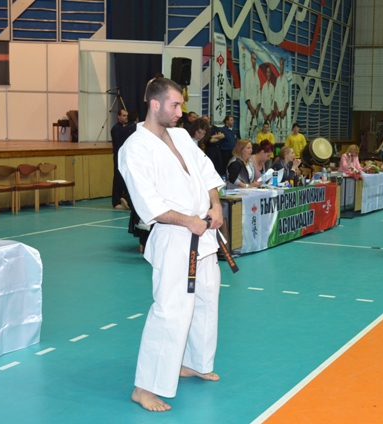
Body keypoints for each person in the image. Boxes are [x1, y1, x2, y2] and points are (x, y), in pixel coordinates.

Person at [118, 77, 225, 412]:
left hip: (203, 234)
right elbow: (148, 205)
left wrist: (216, 206)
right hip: (174, 236)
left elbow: (207, 172)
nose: (181, 112)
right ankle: (145, 387)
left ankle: (193, 362)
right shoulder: (134, 149)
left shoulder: (179, 136)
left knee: (207, 298)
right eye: (175, 105)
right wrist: (189, 221)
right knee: (170, 309)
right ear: (155, 104)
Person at [111, 108, 130, 210]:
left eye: (127, 115)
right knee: (118, 178)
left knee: (126, 178)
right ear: (118, 117)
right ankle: (116, 201)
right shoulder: (116, 129)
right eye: (123, 115)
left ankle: (125, 197)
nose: (126, 117)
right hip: (119, 155)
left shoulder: (127, 128)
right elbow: (117, 145)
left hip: (126, 156)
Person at [243, 51, 261, 138]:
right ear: (251, 59)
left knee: (256, 130)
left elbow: (259, 93)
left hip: (256, 109)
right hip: (250, 107)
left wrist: (257, 108)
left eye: (255, 59)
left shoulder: (257, 76)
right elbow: (246, 92)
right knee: (248, 129)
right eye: (253, 59)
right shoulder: (248, 74)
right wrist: (251, 108)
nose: (254, 61)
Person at [273, 58, 290, 142]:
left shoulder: (285, 80)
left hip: (283, 111)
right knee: (277, 131)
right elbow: (275, 96)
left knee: (283, 132)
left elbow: (287, 98)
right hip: (278, 110)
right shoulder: (277, 80)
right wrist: (276, 109)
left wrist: (284, 111)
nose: (281, 66)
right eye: (280, 64)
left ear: (284, 66)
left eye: (282, 64)